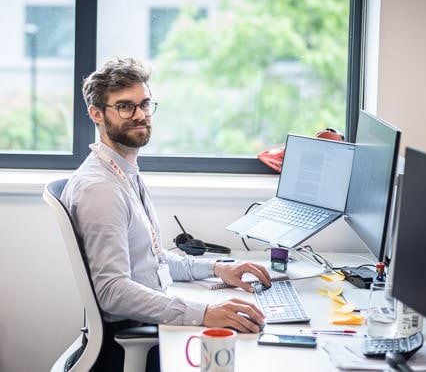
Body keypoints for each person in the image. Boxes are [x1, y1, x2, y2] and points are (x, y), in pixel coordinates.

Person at [60, 57, 271, 371]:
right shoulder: (100, 189)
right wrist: (204, 313)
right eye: (124, 106)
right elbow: (112, 291)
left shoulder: (122, 172)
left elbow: (151, 258)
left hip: (147, 324)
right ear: (96, 114)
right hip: (126, 345)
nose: (140, 115)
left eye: (144, 103)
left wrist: (217, 268)